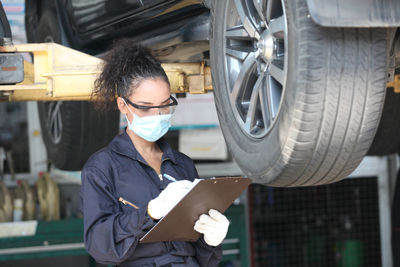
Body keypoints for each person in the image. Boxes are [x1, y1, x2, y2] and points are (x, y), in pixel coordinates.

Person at [80, 39, 230, 267]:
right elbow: (99, 246)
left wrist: (211, 240)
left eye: (164, 104)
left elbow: (204, 258)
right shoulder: (102, 168)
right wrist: (150, 212)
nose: (158, 113)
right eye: (146, 106)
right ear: (123, 106)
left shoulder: (182, 165)